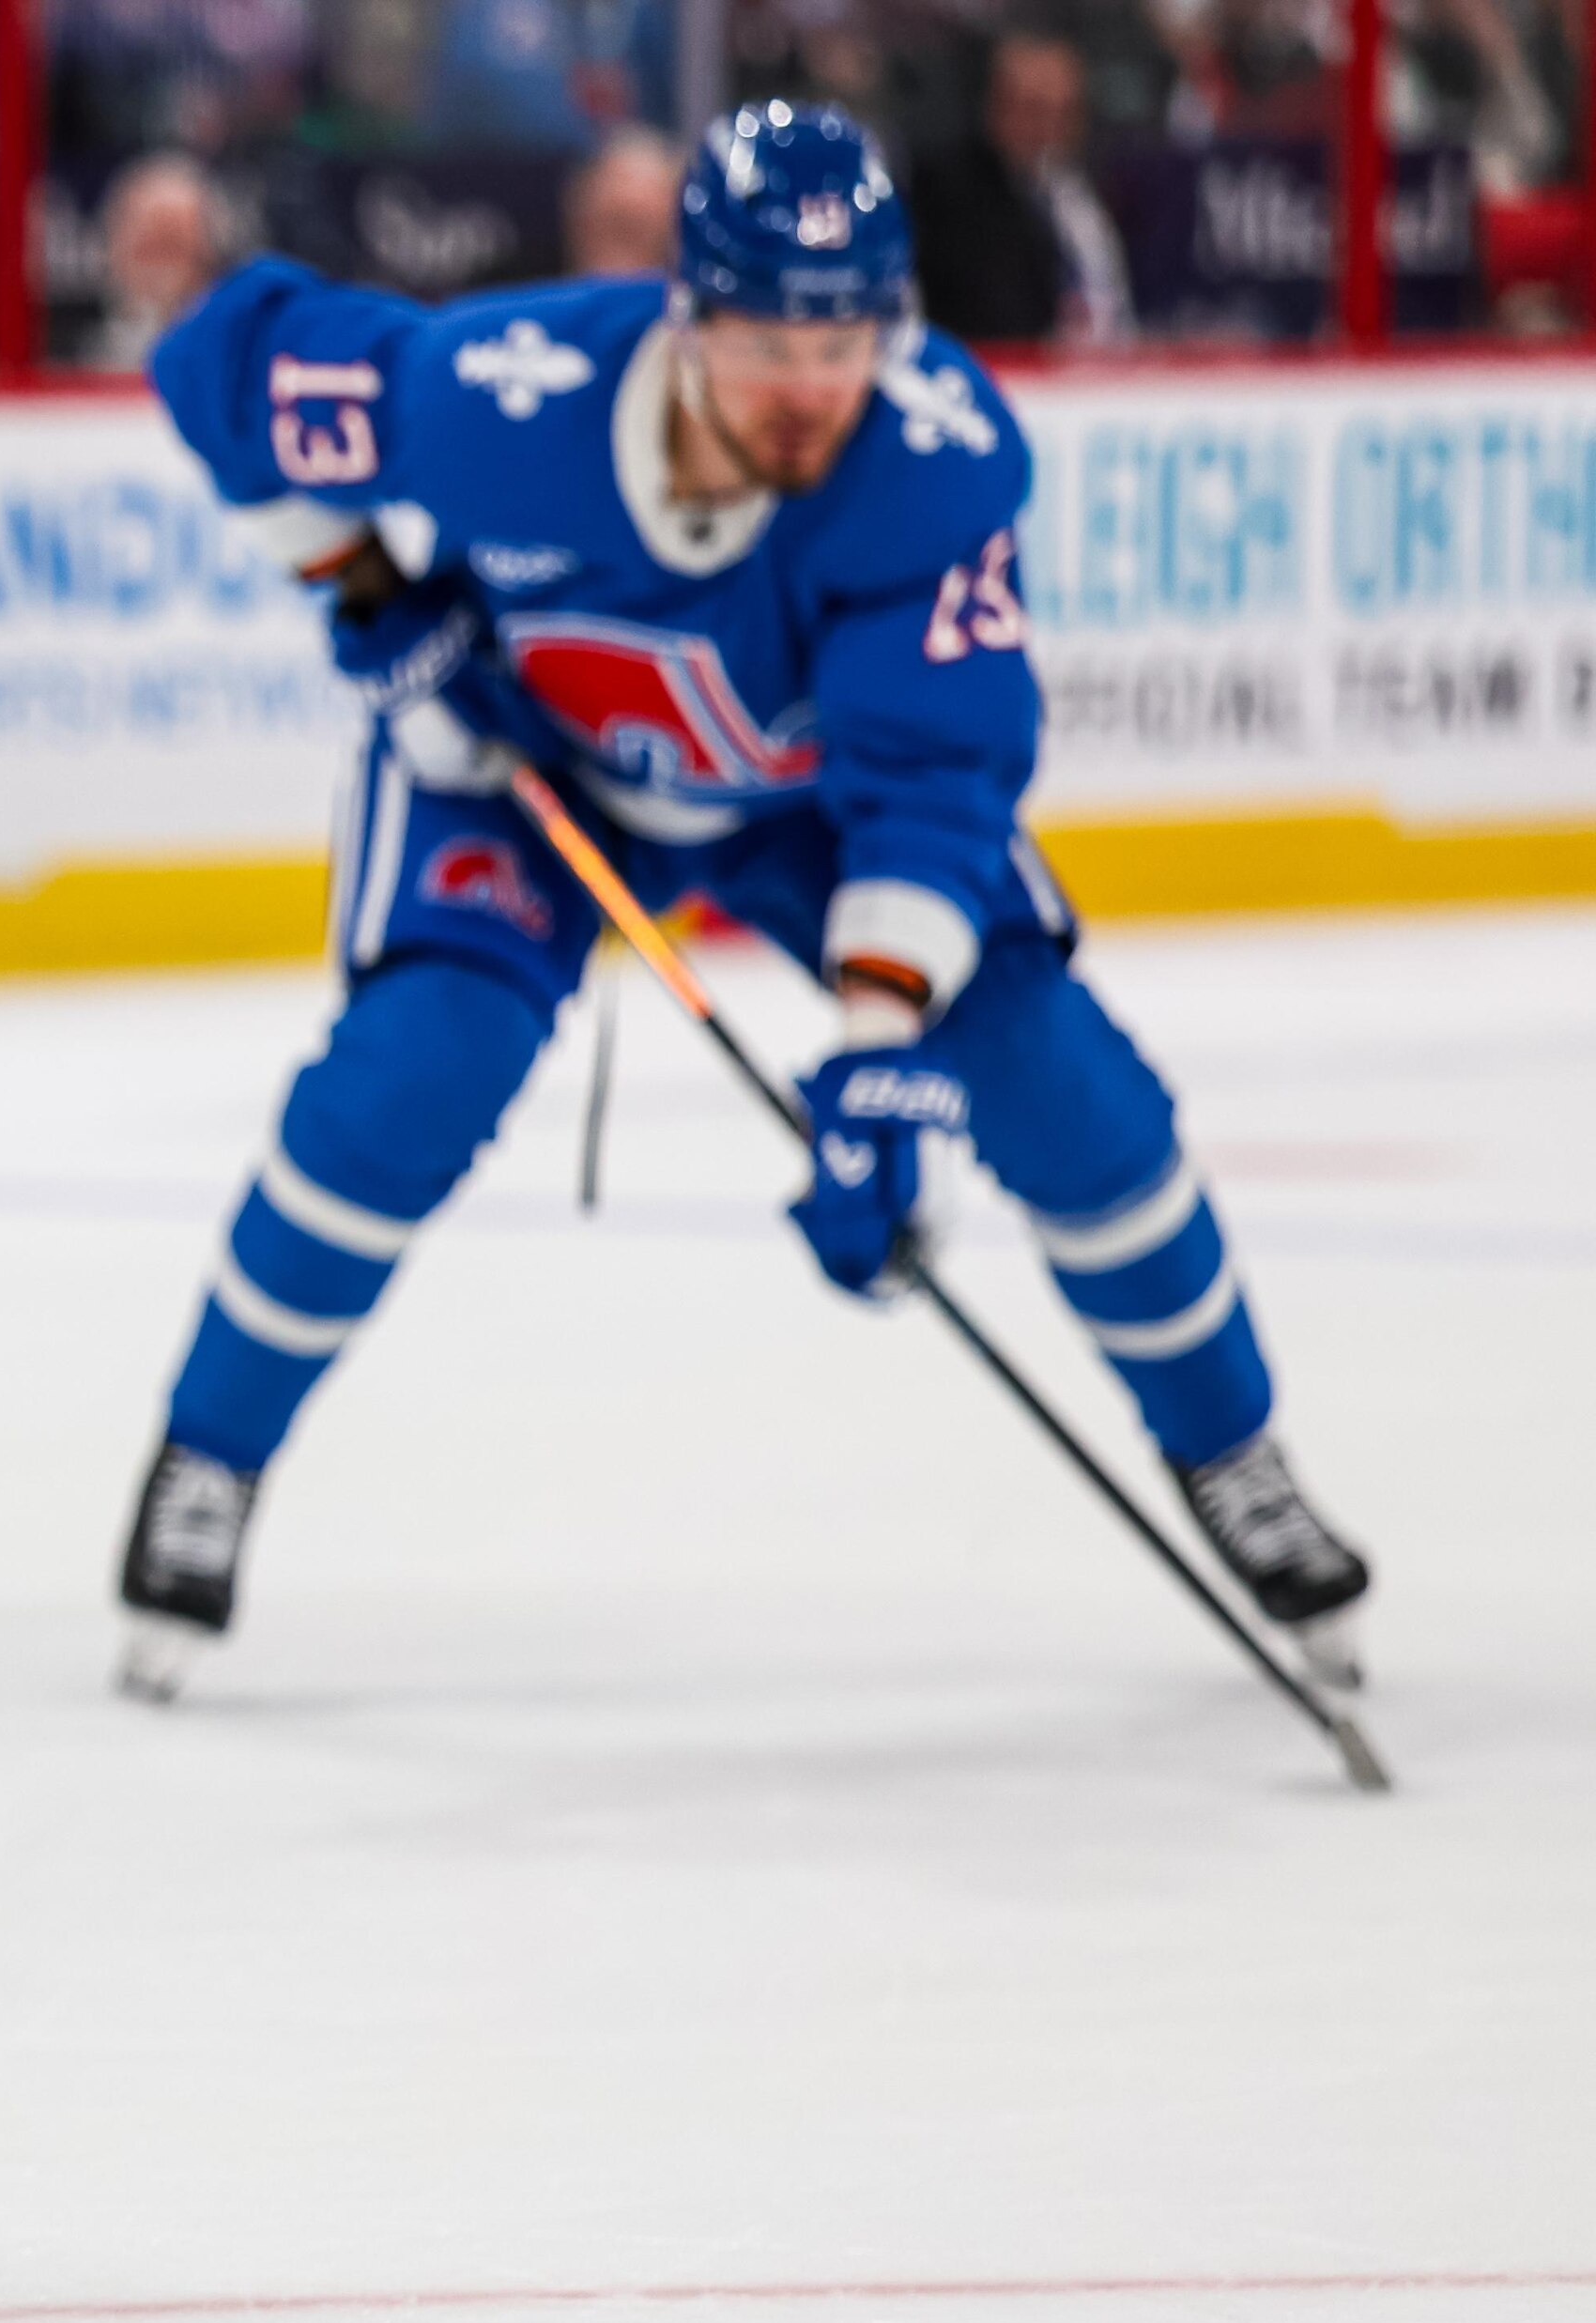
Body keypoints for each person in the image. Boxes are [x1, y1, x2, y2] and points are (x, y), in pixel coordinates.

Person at [111, 100, 1373, 1701]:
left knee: (1074, 1097)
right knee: (405, 1081)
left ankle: (1236, 1455)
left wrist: (876, 1054)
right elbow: (219, 369)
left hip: (803, 811)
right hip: (532, 768)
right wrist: (372, 603)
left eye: (848, 341)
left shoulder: (935, 463)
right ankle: (206, 1459)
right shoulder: (507, 395)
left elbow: (927, 789)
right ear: (689, 315)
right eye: (774, 342)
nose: (812, 389)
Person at [905, 27, 1130, 346]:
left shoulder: (1088, 190)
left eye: (1067, 112)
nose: (1051, 130)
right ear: (995, 107)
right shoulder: (953, 198)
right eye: (1035, 109)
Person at [82, 150, 223, 368]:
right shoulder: (77, 362)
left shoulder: (223, 359)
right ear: (114, 250)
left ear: (206, 256)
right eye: (147, 250)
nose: (159, 271)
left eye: (173, 249)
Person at [560, 118, 679, 274]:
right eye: (617, 223)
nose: (629, 203)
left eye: (635, 229)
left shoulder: (700, 295)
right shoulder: (535, 296)